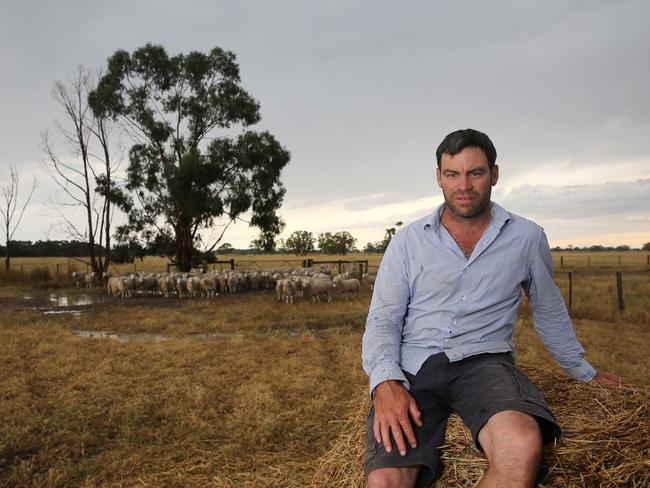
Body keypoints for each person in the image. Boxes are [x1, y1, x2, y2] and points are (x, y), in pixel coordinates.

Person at [361, 128, 622, 488]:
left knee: (522, 447)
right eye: (452, 174)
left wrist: (583, 371)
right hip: (415, 367)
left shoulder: (527, 237)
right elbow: (383, 319)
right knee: (385, 481)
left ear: (494, 175)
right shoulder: (407, 241)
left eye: (475, 173)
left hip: (485, 364)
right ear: (439, 177)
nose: (463, 185)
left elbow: (548, 309)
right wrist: (385, 383)